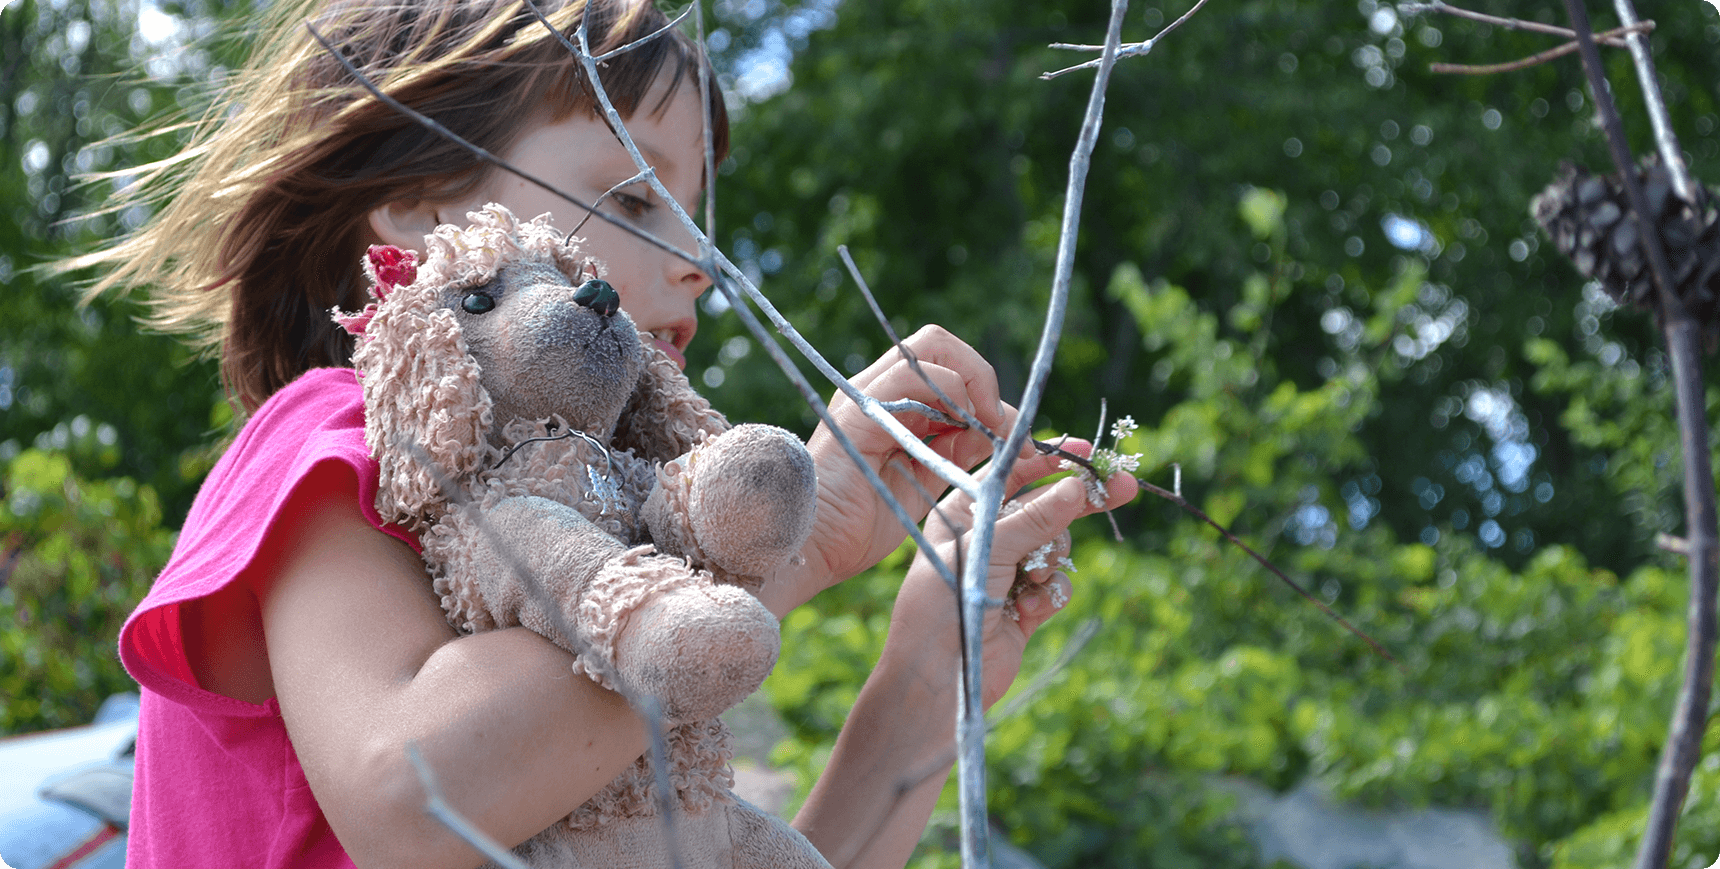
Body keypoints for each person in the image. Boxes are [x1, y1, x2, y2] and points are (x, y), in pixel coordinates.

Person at [82, 1, 1139, 867]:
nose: (699, 262)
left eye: (696, 215)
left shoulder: (621, 508)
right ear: (412, 209)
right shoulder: (328, 440)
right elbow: (408, 804)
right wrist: (789, 547)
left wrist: (930, 661)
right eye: (633, 198)